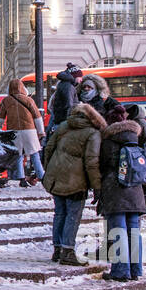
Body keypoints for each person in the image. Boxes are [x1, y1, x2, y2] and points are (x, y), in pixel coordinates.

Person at [41, 102, 106, 264]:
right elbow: (92, 162)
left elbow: (48, 148)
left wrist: (48, 170)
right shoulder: (93, 133)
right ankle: (68, 250)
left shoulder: (63, 126)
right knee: (73, 215)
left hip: (56, 177)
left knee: (60, 213)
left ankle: (57, 250)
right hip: (76, 181)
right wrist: (97, 186)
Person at [97, 105, 146, 281]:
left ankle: (120, 271)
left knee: (118, 230)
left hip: (116, 190)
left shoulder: (109, 142)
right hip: (136, 191)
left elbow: (102, 166)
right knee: (134, 231)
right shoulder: (136, 140)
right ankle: (136, 270)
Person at [0, 78, 44, 187]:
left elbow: (0, 118)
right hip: (29, 130)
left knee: (18, 155)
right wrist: (41, 131)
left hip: (14, 131)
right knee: (34, 154)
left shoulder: (6, 101)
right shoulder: (29, 100)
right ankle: (42, 176)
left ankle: (21, 178)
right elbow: (37, 117)